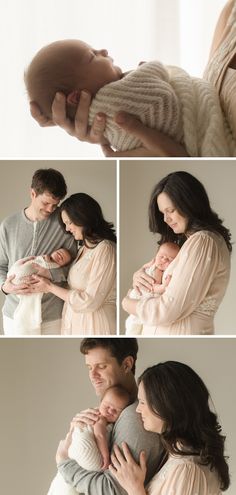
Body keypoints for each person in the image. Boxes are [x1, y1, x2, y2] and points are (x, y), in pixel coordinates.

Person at [29, 1, 236, 157]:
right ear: (75, 97)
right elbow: (164, 98)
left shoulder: (115, 104)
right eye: (93, 55)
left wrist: (149, 69)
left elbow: (162, 88)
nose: (104, 50)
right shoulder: (111, 107)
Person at [122, 171, 232, 335]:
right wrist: (141, 278)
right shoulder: (186, 245)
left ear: (189, 204)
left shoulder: (204, 241)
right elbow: (157, 277)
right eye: (162, 213)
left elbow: (167, 310)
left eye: (170, 210)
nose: (165, 219)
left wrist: (126, 303)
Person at [54, 338, 164, 495]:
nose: (93, 375)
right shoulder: (114, 412)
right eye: (89, 367)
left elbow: (111, 490)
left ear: (127, 364)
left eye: (101, 366)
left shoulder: (135, 418)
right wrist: (78, 433)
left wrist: (64, 462)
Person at [108, 361, 230, 495]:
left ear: (166, 405)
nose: (138, 409)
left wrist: (135, 489)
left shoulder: (187, 470)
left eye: (142, 402)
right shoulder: (182, 458)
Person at [0, 168, 77, 335]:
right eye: (45, 203)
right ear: (33, 193)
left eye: (55, 204)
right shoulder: (8, 225)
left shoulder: (65, 225)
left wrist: (52, 275)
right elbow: (1, 266)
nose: (50, 209)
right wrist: (4, 287)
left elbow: (76, 266)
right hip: (14, 314)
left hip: (53, 316)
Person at [31, 193, 116, 334]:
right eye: (65, 224)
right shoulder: (82, 249)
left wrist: (49, 286)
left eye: (69, 222)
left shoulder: (105, 249)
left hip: (95, 325)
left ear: (83, 217)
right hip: (74, 323)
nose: (67, 229)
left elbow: (90, 301)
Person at [47, 384, 132, 495]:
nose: (110, 411)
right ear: (100, 403)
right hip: (81, 450)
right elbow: (99, 435)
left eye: (116, 411)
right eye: (107, 406)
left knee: (65, 486)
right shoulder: (99, 418)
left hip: (73, 456)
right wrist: (105, 457)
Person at [7, 248, 72, 335]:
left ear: (61, 265)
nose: (59, 256)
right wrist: (3, 286)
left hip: (51, 316)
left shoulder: (54, 266)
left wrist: (50, 271)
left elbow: (70, 270)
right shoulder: (41, 258)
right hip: (10, 305)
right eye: (58, 253)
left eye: (62, 259)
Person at [125, 242, 180, 335]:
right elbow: (153, 287)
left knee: (132, 324)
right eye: (161, 256)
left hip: (137, 297)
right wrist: (163, 287)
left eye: (170, 259)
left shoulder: (153, 266)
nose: (164, 260)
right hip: (141, 297)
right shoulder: (157, 271)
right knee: (134, 326)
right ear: (156, 255)